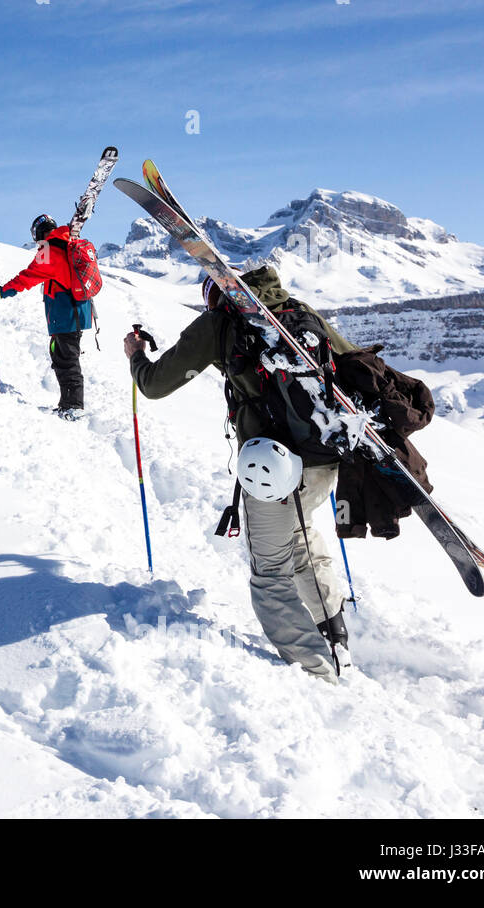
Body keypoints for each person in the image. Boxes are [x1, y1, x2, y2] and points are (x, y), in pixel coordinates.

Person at [122, 265, 357, 681]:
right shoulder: (298, 313)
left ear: (214, 294)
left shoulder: (220, 322)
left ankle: (318, 674)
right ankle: (336, 639)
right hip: (324, 460)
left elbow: (156, 385)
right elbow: (354, 367)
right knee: (300, 541)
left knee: (270, 574)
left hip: (275, 470)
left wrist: (136, 355)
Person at [0, 214, 94, 417]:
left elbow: (27, 277)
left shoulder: (49, 250)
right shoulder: (67, 242)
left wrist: (0, 293)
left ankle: (73, 407)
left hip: (64, 315)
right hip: (76, 312)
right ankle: (68, 404)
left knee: (66, 360)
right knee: (63, 357)